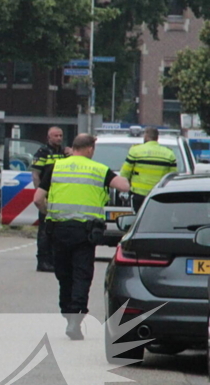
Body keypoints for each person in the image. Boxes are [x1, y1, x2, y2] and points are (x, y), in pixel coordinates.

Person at [33, 133, 129, 339]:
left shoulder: (55, 167)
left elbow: (38, 199)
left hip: (59, 230)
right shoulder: (98, 169)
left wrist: (48, 213)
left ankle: (68, 314)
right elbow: (124, 186)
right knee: (82, 275)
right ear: (90, 149)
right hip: (85, 232)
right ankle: (75, 318)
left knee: (64, 274)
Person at [31, 127, 69, 273]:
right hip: (47, 195)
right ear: (49, 137)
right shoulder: (43, 153)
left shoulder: (64, 153)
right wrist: (39, 194)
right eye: (56, 136)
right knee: (45, 230)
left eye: (61, 135)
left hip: (60, 196)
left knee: (56, 230)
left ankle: (53, 260)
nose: (59, 138)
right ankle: (42, 261)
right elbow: (36, 175)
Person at [121, 126, 177, 211]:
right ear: (157, 138)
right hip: (159, 195)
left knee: (139, 219)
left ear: (146, 136)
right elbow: (172, 177)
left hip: (139, 194)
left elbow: (125, 173)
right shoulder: (169, 153)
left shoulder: (135, 151)